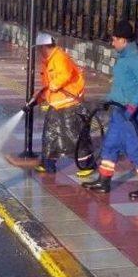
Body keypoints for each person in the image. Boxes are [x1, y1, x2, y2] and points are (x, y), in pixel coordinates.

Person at [82, 19, 138, 197]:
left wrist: (132, 106)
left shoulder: (137, 60)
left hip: (133, 112)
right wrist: (107, 100)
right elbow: (121, 87)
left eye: (115, 39)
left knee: (134, 148)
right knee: (110, 144)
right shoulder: (123, 59)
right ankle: (104, 180)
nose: (112, 43)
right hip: (119, 110)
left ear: (123, 40)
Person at [34, 32, 95, 175]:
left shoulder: (59, 57)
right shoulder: (48, 60)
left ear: (44, 47)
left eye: (39, 48)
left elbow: (65, 74)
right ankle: (47, 163)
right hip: (57, 103)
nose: (38, 52)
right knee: (50, 134)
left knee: (75, 135)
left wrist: (55, 84)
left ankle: (87, 165)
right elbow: (48, 85)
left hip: (70, 103)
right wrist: (39, 98)